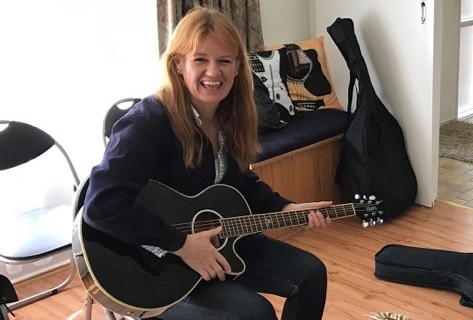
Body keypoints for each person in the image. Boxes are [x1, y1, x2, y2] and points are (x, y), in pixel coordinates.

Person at [84, 6, 332, 320]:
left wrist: (285, 208)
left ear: (238, 66)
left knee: (311, 274)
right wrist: (180, 243)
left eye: (224, 60)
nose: (213, 73)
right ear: (178, 64)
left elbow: (238, 181)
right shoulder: (146, 125)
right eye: (200, 59)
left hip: (213, 243)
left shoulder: (230, 116)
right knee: (254, 313)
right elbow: (102, 205)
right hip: (155, 266)